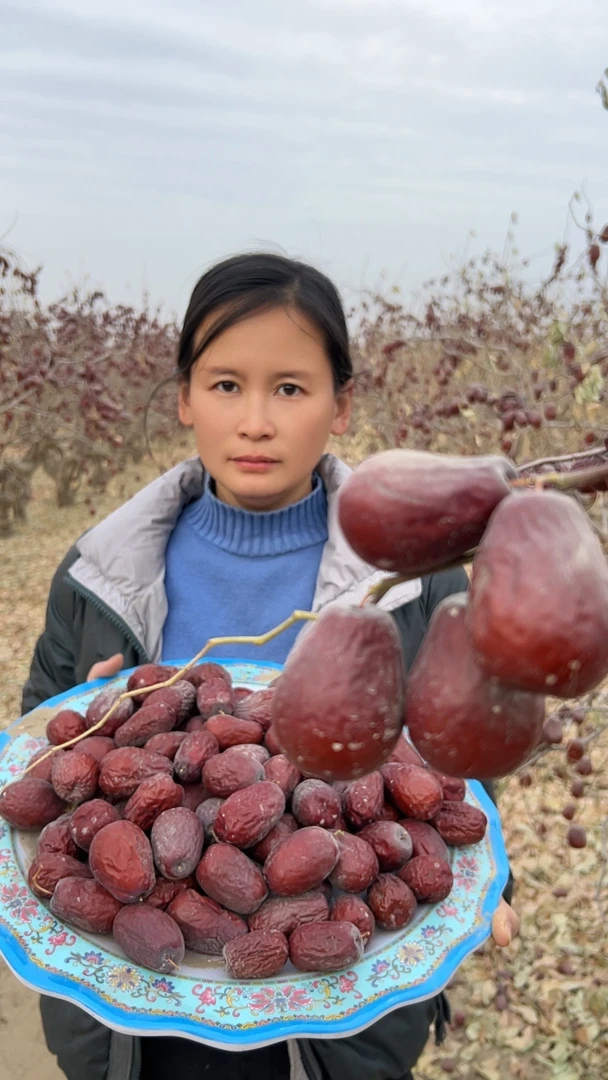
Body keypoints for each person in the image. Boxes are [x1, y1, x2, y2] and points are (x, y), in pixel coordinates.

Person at [22, 252, 519, 1080]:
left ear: (342, 403)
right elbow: (37, 732)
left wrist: (487, 875)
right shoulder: (100, 572)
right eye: (225, 385)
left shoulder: (417, 580)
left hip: (335, 1025)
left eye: (290, 388)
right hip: (134, 1028)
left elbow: (459, 751)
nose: (256, 421)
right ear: (183, 397)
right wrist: (84, 715)